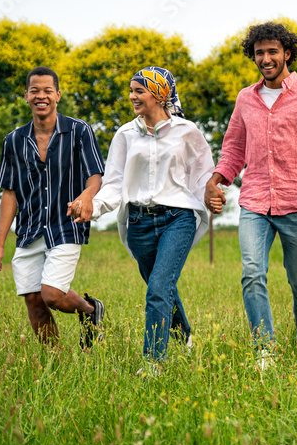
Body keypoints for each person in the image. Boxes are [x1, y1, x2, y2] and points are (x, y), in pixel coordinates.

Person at [204, 22, 297, 365]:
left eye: (273, 52)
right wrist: (216, 181)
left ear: (287, 53)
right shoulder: (245, 99)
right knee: (252, 272)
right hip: (254, 201)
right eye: (259, 53)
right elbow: (233, 150)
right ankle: (264, 352)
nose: (266, 59)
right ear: (252, 56)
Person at [90, 67, 214, 372]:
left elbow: (203, 176)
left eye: (139, 91)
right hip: (139, 224)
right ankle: (184, 337)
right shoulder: (125, 134)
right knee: (161, 286)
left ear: (159, 94)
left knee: (158, 287)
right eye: (131, 91)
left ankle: (153, 362)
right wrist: (93, 209)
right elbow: (114, 182)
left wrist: (213, 196)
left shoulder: (187, 131)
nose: (132, 97)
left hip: (178, 218)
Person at [0, 66, 106, 347]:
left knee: (51, 294)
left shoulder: (79, 131)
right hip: (29, 228)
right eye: (35, 90)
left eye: (47, 90)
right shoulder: (14, 141)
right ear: (26, 96)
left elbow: (95, 176)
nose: (41, 96)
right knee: (33, 298)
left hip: (66, 224)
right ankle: (56, 363)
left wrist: (87, 196)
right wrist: (0, 244)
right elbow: (10, 193)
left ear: (58, 95)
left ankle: (91, 311)